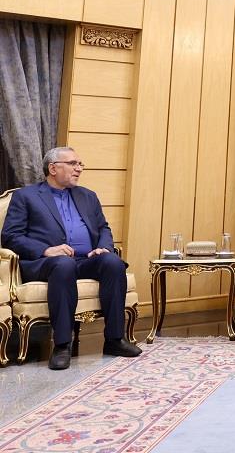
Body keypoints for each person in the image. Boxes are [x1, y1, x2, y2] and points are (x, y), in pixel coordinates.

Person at [1, 147, 142, 369]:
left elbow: (103, 228)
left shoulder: (88, 196)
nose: (79, 169)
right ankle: (62, 345)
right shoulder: (26, 196)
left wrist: (103, 248)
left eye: (80, 164)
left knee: (113, 263)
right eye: (73, 163)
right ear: (53, 168)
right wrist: (46, 250)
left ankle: (115, 340)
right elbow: (10, 236)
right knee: (64, 264)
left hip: (86, 259)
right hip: (47, 263)